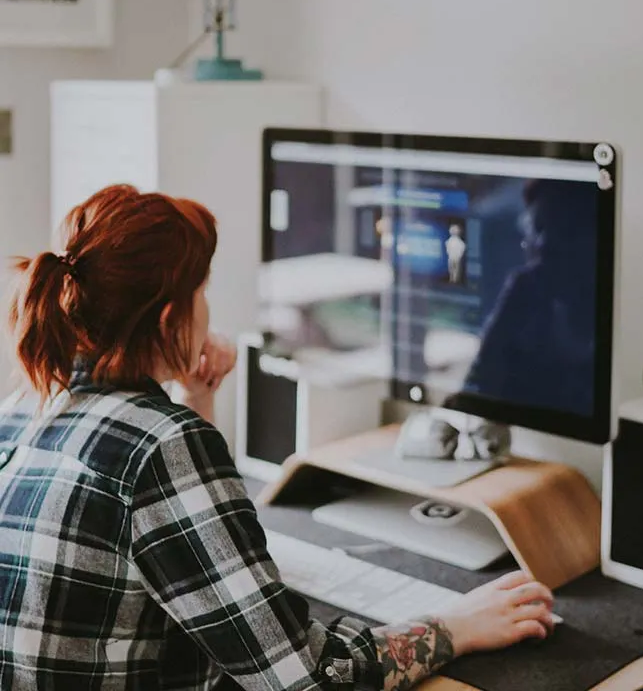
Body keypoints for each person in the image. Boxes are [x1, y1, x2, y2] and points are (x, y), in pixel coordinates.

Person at [0, 184, 554, 691]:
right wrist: (456, 626)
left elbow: (189, 553)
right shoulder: (161, 446)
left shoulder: (21, 410)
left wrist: (196, 397)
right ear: (171, 319)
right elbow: (305, 677)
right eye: (203, 290)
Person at [461, 179, 597, 415]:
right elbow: (478, 384)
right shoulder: (525, 290)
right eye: (539, 227)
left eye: (563, 229)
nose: (545, 243)